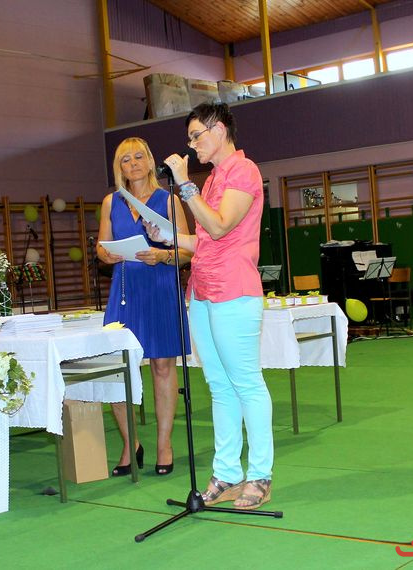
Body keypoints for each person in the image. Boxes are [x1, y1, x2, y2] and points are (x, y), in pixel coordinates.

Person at [159, 102, 273, 510]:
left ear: (220, 130)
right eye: (190, 138)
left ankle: (260, 475)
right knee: (219, 386)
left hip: (234, 291)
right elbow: (206, 239)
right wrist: (169, 236)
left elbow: (221, 224)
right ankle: (227, 473)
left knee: (246, 383)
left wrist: (184, 185)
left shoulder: (244, 171)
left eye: (197, 136)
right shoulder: (210, 181)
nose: (192, 145)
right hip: (203, 293)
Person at [96, 137, 191, 477]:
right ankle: (130, 442)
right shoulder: (111, 201)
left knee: (162, 367)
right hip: (124, 290)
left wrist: (162, 255)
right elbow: (101, 247)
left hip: (160, 287)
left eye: (139, 157)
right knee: (116, 367)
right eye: (126, 159)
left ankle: (164, 444)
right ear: (118, 167)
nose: (133, 163)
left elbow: (187, 251)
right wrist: (107, 254)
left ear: (150, 162)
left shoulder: (169, 200)